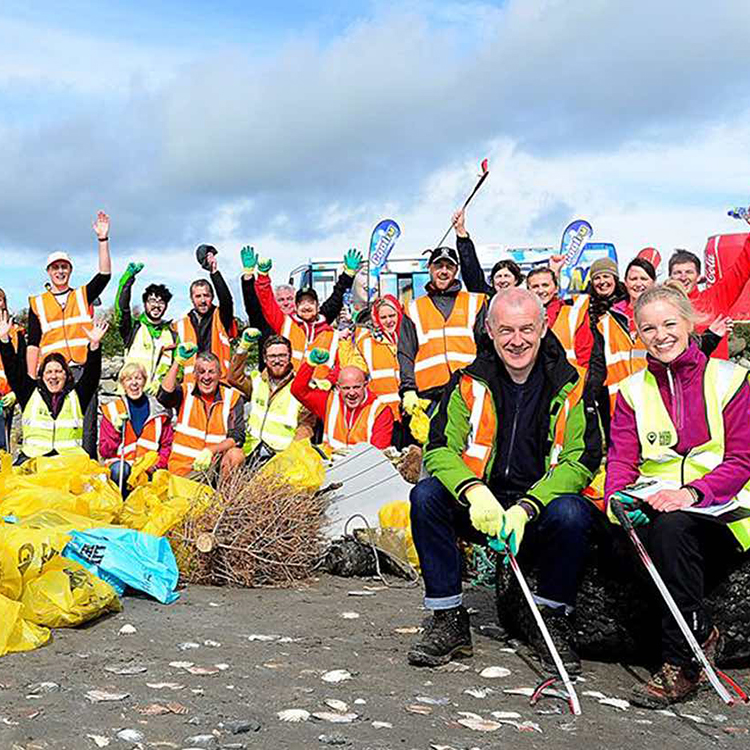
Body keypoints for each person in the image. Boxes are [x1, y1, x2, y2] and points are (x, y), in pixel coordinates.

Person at [407, 288, 602, 672]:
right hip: (485, 505)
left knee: (573, 514)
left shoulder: (572, 384)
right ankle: (448, 617)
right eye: (506, 330)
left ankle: (550, 617)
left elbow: (582, 460)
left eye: (527, 329)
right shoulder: (466, 382)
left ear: (544, 328)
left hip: (538, 506)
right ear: (490, 331)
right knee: (426, 496)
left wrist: (528, 507)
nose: (517, 341)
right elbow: (439, 448)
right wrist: (474, 492)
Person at [604, 282, 750, 708]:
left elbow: (742, 459)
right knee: (616, 535)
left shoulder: (730, 379)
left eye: (669, 323)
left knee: (670, 532)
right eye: (648, 328)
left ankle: (681, 661)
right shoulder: (632, 391)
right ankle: (702, 629)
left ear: (690, 322)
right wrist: (617, 497)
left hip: (724, 509)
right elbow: (621, 460)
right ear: (638, 334)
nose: (660, 335)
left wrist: (691, 493)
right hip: (657, 502)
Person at [26, 211, 112, 458]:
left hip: (82, 370)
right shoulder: (37, 302)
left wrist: (102, 240)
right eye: (55, 268)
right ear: (48, 272)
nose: (60, 271)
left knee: (85, 428)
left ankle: (85, 475)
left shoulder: (82, 295)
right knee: (53, 428)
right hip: (53, 373)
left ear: (70, 270)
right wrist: (32, 376)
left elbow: (105, 275)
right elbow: (33, 343)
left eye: (64, 267)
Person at [0, 310, 107, 463]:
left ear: (66, 375)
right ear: (42, 376)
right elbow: (13, 370)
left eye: (58, 371)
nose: (53, 376)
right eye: (49, 372)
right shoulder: (30, 393)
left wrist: (94, 346)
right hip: (32, 461)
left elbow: (92, 376)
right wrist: (4, 340)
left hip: (69, 463)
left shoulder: (77, 396)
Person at [398, 246, 488, 417]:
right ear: (429, 268)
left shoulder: (475, 302)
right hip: (429, 395)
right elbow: (406, 352)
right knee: (431, 443)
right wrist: (408, 389)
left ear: (456, 270)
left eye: (449, 266)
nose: (444, 271)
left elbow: (485, 348)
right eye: (439, 265)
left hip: (468, 389)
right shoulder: (413, 308)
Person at [251, 248, 363, 375]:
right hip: (289, 388)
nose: (306, 306)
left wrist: (348, 274)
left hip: (319, 390)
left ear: (317, 305)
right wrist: (263, 276)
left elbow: (336, 298)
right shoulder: (286, 324)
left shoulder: (329, 332)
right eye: (302, 303)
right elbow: (267, 302)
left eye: (310, 302)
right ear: (296, 306)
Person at [158, 347, 245, 479]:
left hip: (214, 469)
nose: (206, 377)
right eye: (201, 372)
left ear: (220, 374)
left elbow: (237, 437)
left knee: (236, 454)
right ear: (194, 375)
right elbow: (164, 395)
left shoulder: (232, 397)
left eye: (211, 372)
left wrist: (211, 451)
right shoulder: (185, 392)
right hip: (183, 469)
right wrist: (178, 362)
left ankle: (224, 498)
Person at [227, 329, 315, 458]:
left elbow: (306, 427)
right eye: (272, 356)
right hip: (251, 450)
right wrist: (243, 347)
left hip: (280, 456)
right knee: (233, 456)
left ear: (290, 357)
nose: (277, 360)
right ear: (265, 359)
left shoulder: (301, 387)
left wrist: (291, 456)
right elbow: (233, 378)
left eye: (282, 355)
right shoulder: (257, 381)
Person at [668, 227, 750, 358]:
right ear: (670, 277)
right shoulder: (662, 306)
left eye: (689, 272)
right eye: (678, 273)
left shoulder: (716, 297)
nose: (683, 277)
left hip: (715, 375)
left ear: (699, 276)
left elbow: (743, 267)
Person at [291, 349, 394, 450]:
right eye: (346, 388)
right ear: (338, 387)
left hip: (364, 466)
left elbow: (377, 455)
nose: (352, 393)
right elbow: (298, 390)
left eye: (356, 387)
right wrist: (310, 364)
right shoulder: (330, 401)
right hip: (330, 465)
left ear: (365, 385)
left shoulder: (381, 412)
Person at [99, 363, 174, 491]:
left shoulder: (158, 409)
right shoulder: (113, 410)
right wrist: (116, 432)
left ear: (144, 381)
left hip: (148, 469)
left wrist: (156, 466)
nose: (134, 383)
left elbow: (167, 444)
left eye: (138, 378)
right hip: (122, 468)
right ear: (122, 384)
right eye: (129, 379)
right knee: (119, 470)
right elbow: (105, 451)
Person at [173, 245, 236, 386]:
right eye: (198, 296)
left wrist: (214, 272)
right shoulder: (180, 325)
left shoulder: (220, 317)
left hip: (219, 383)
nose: (202, 300)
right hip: (191, 385)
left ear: (212, 297)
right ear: (191, 299)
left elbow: (227, 300)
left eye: (206, 296)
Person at [115, 263, 177, 393]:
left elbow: (177, 367)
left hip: (156, 399)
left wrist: (161, 385)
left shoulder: (172, 334)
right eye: (152, 301)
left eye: (161, 302)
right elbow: (122, 308)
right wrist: (127, 279)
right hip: (128, 395)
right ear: (145, 303)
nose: (156, 306)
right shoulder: (134, 327)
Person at [353, 295, 403, 422]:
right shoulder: (366, 343)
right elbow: (355, 369)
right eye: (383, 317)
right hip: (381, 415)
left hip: (408, 412)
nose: (388, 321)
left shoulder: (408, 339)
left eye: (392, 316)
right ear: (376, 319)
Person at [453, 209, 523, 295]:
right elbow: (471, 271)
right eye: (498, 276)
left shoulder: (526, 300)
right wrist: (461, 233)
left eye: (506, 276)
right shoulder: (487, 298)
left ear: (516, 280)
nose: (502, 280)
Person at [0, 287, 23, 452]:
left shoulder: (16, 331)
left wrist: (15, 392)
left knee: (5, 442)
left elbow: (22, 364)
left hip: (8, 393)